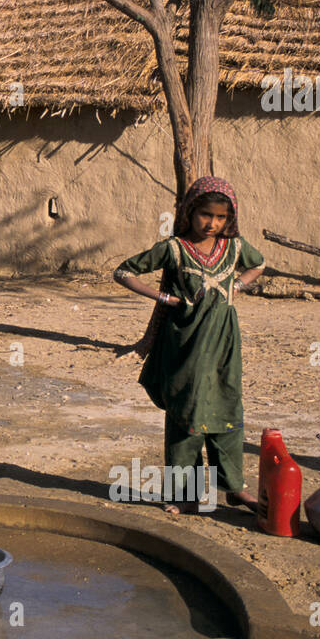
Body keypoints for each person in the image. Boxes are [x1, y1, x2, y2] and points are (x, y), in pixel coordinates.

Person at [113, 176, 266, 516]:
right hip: (185, 343)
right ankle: (186, 493)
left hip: (224, 342)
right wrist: (164, 297)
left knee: (226, 407)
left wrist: (236, 286)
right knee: (187, 412)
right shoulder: (174, 248)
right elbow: (123, 272)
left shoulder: (236, 247)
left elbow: (259, 265)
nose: (212, 223)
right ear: (189, 212)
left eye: (221, 217)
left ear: (231, 218)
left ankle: (234, 488)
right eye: (205, 215)